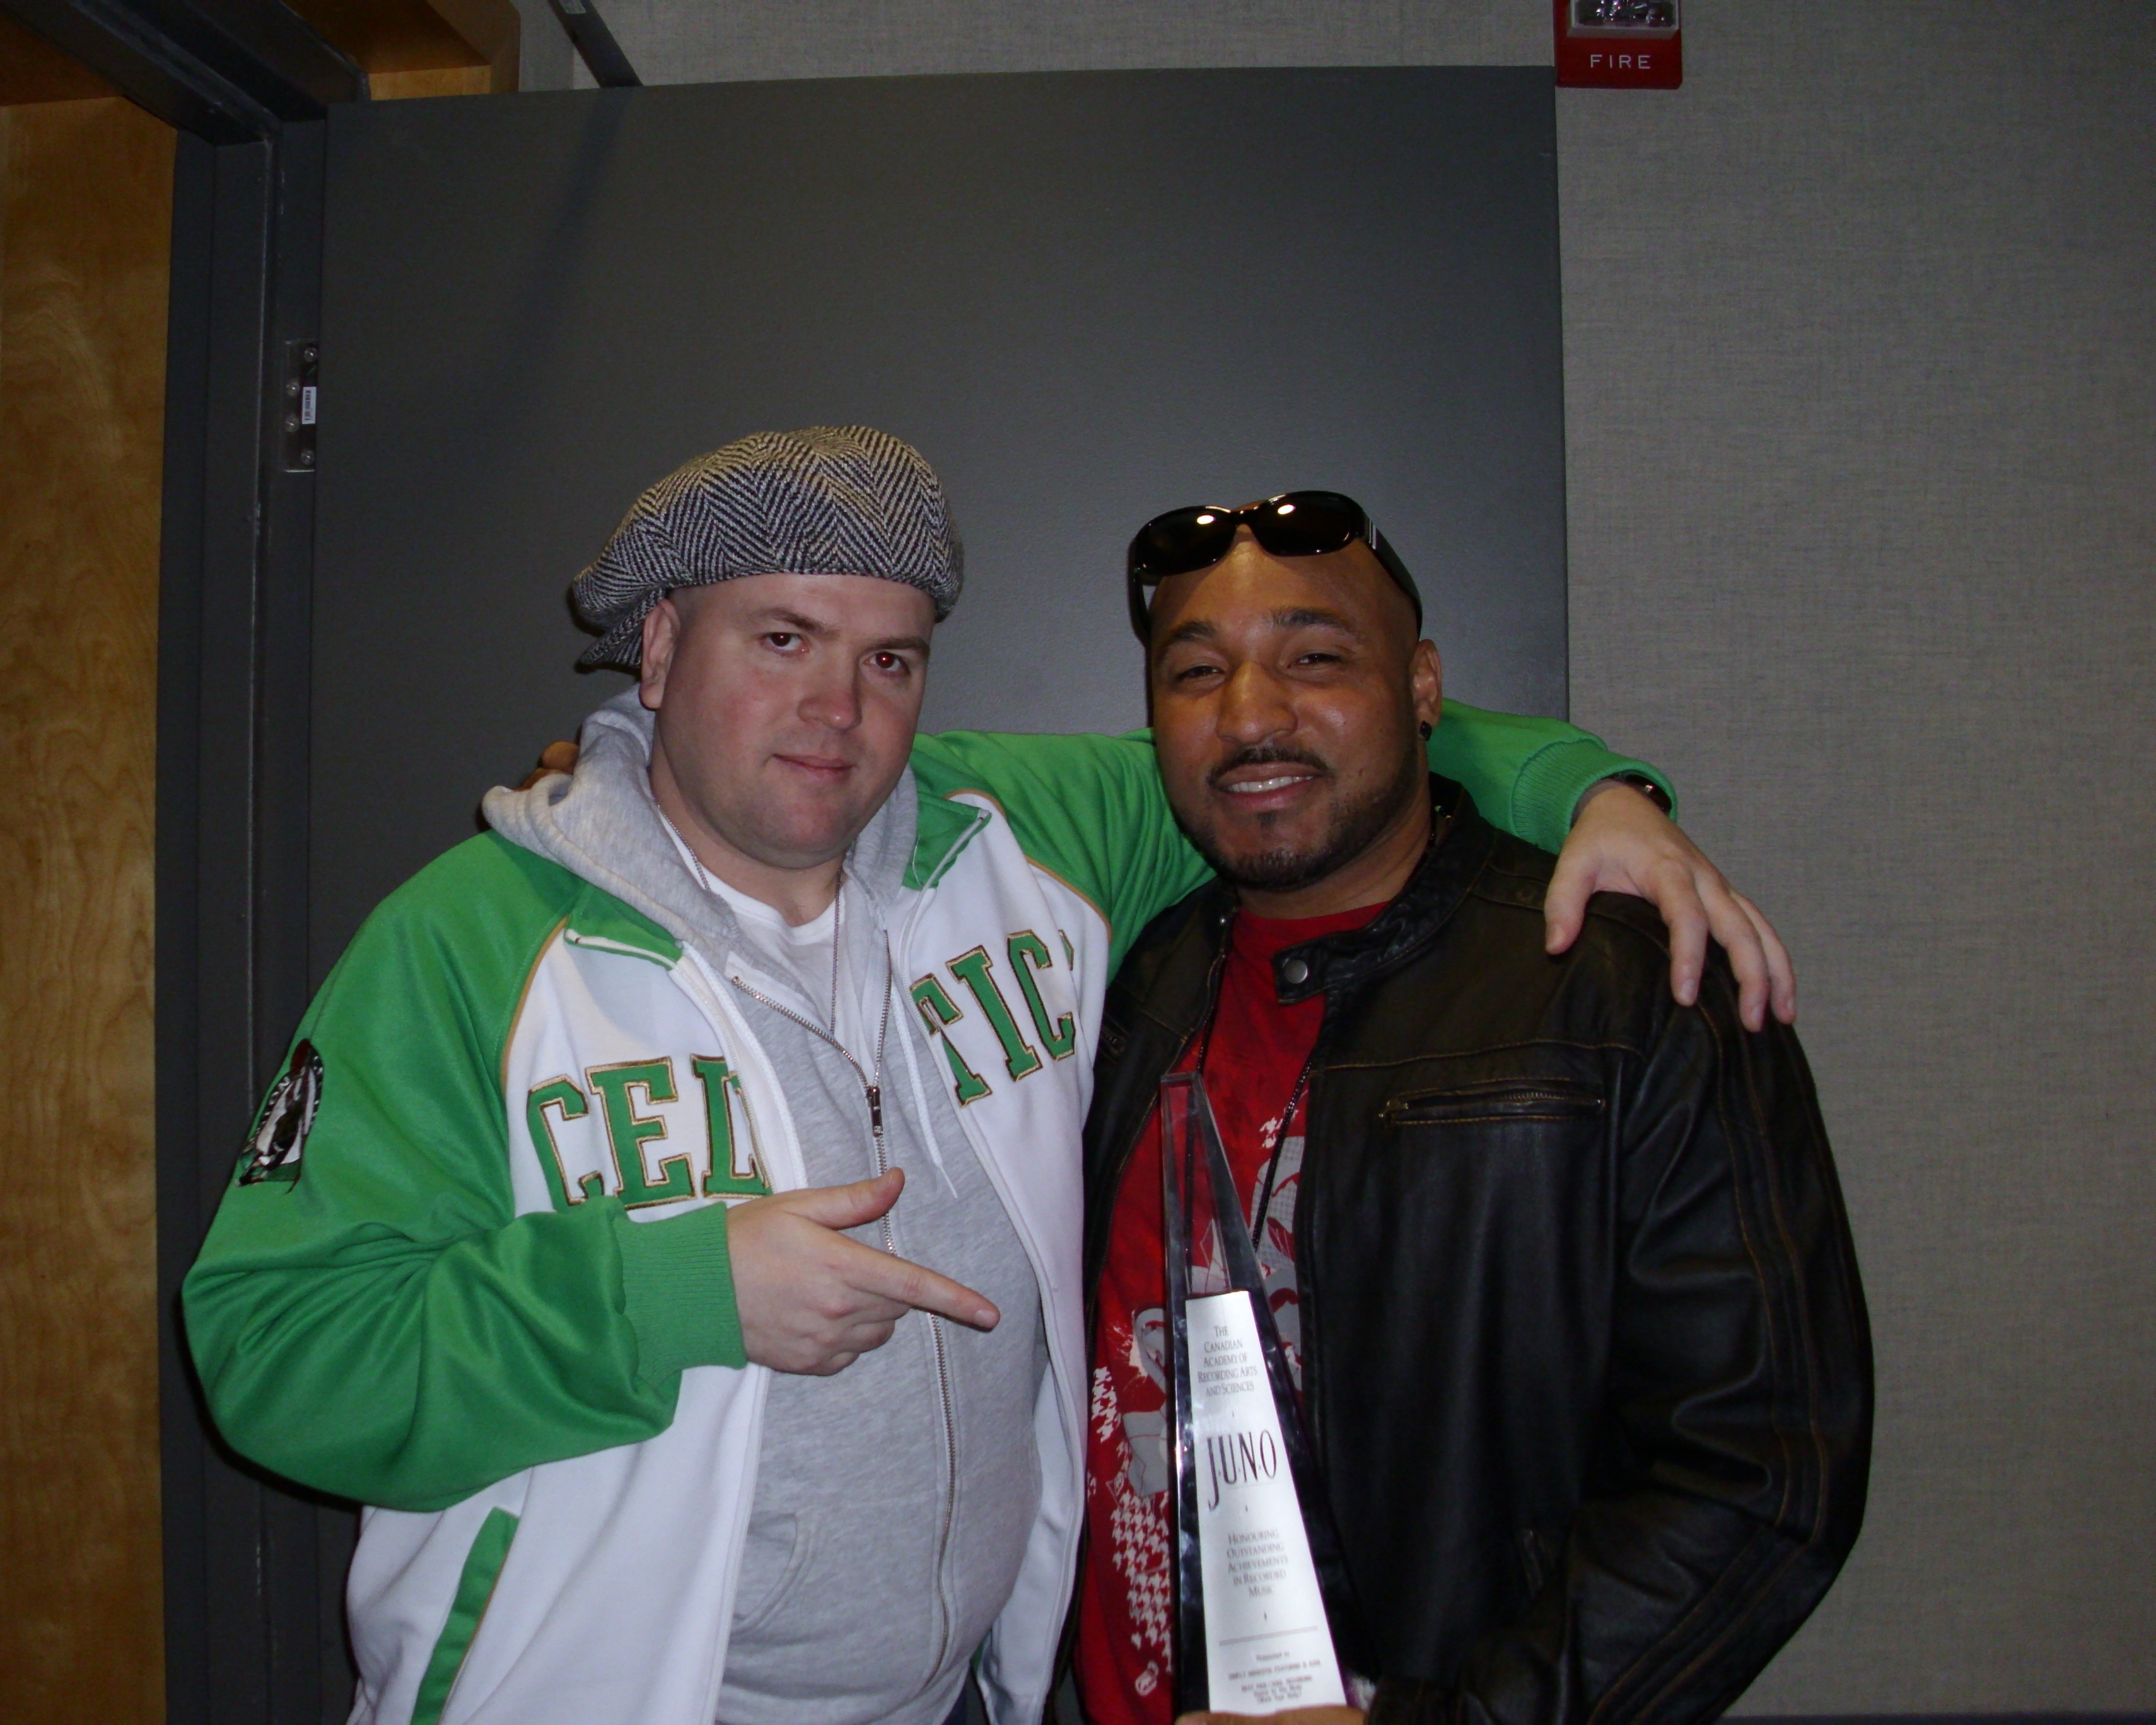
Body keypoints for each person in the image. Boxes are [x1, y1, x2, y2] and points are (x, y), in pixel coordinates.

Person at [182, 428, 1795, 1725]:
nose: (838, 710)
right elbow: (271, 1353)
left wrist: (1598, 794)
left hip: (971, 1696)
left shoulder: (1019, 844)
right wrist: (676, 1295)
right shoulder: (469, 943)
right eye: (784, 640)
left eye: (891, 660)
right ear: (658, 649)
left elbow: (1307, 746)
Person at [1074, 495, 1872, 1725]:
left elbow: (1762, 1472)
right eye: (1196, 673)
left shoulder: (1623, 990)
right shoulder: (1121, 983)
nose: (1250, 716)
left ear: (1425, 688)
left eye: (1315, 658)